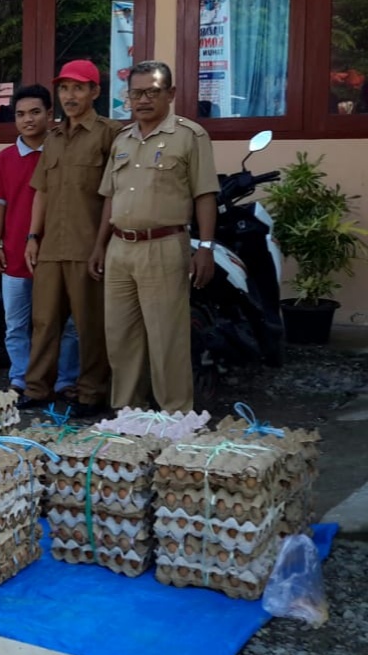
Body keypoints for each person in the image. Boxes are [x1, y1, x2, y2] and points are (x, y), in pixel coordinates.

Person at [90, 60, 219, 413]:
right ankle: (128, 411)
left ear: (170, 94)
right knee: (121, 336)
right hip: (119, 248)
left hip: (163, 246)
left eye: (152, 92)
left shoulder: (190, 136)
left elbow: (205, 194)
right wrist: (100, 245)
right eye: (136, 93)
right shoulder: (122, 140)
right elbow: (110, 197)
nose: (143, 100)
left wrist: (206, 247)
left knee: (167, 337)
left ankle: (175, 414)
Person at [19, 59, 123, 416]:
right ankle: (37, 388)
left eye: (78, 87)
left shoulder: (110, 133)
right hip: (51, 247)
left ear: (95, 91)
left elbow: (114, 194)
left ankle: (91, 393)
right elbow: (42, 191)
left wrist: (102, 244)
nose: (69, 95)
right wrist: (33, 236)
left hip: (88, 246)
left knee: (90, 325)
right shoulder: (54, 138)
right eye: (64, 88)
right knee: (44, 321)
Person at [0, 84, 79, 399]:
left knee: (65, 324)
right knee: (16, 324)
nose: (28, 119)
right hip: (14, 254)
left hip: (57, 253)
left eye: (35, 112)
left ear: (50, 114)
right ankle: (21, 378)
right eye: (21, 114)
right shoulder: (4, 159)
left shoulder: (63, 152)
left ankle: (65, 379)